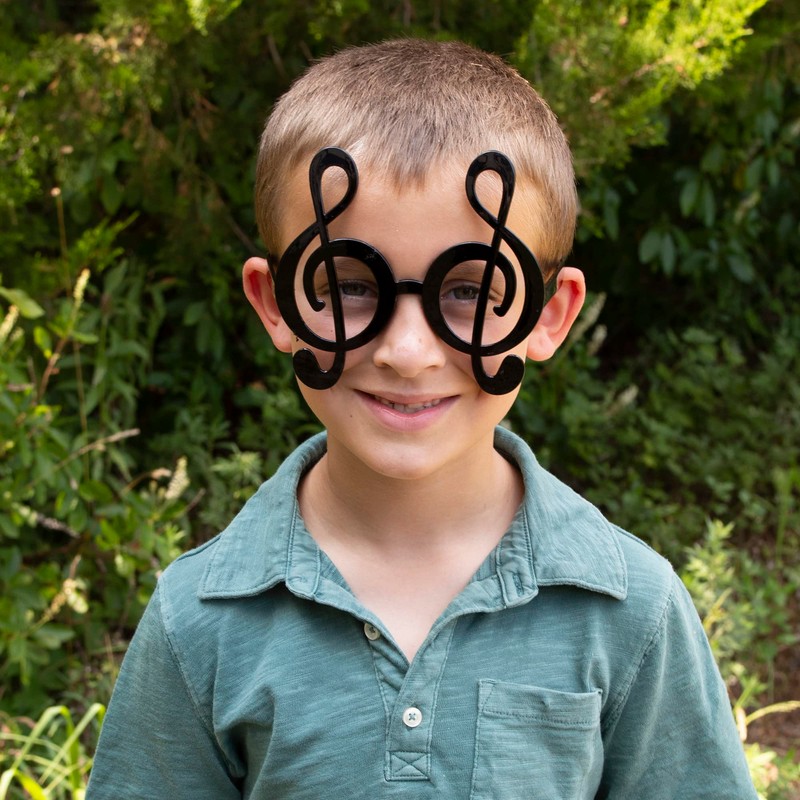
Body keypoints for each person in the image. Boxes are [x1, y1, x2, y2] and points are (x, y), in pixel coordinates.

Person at [86, 39, 757, 799]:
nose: (407, 353)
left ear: (549, 315)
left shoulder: (629, 609)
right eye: (349, 286)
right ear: (275, 303)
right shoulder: (199, 621)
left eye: (470, 291)